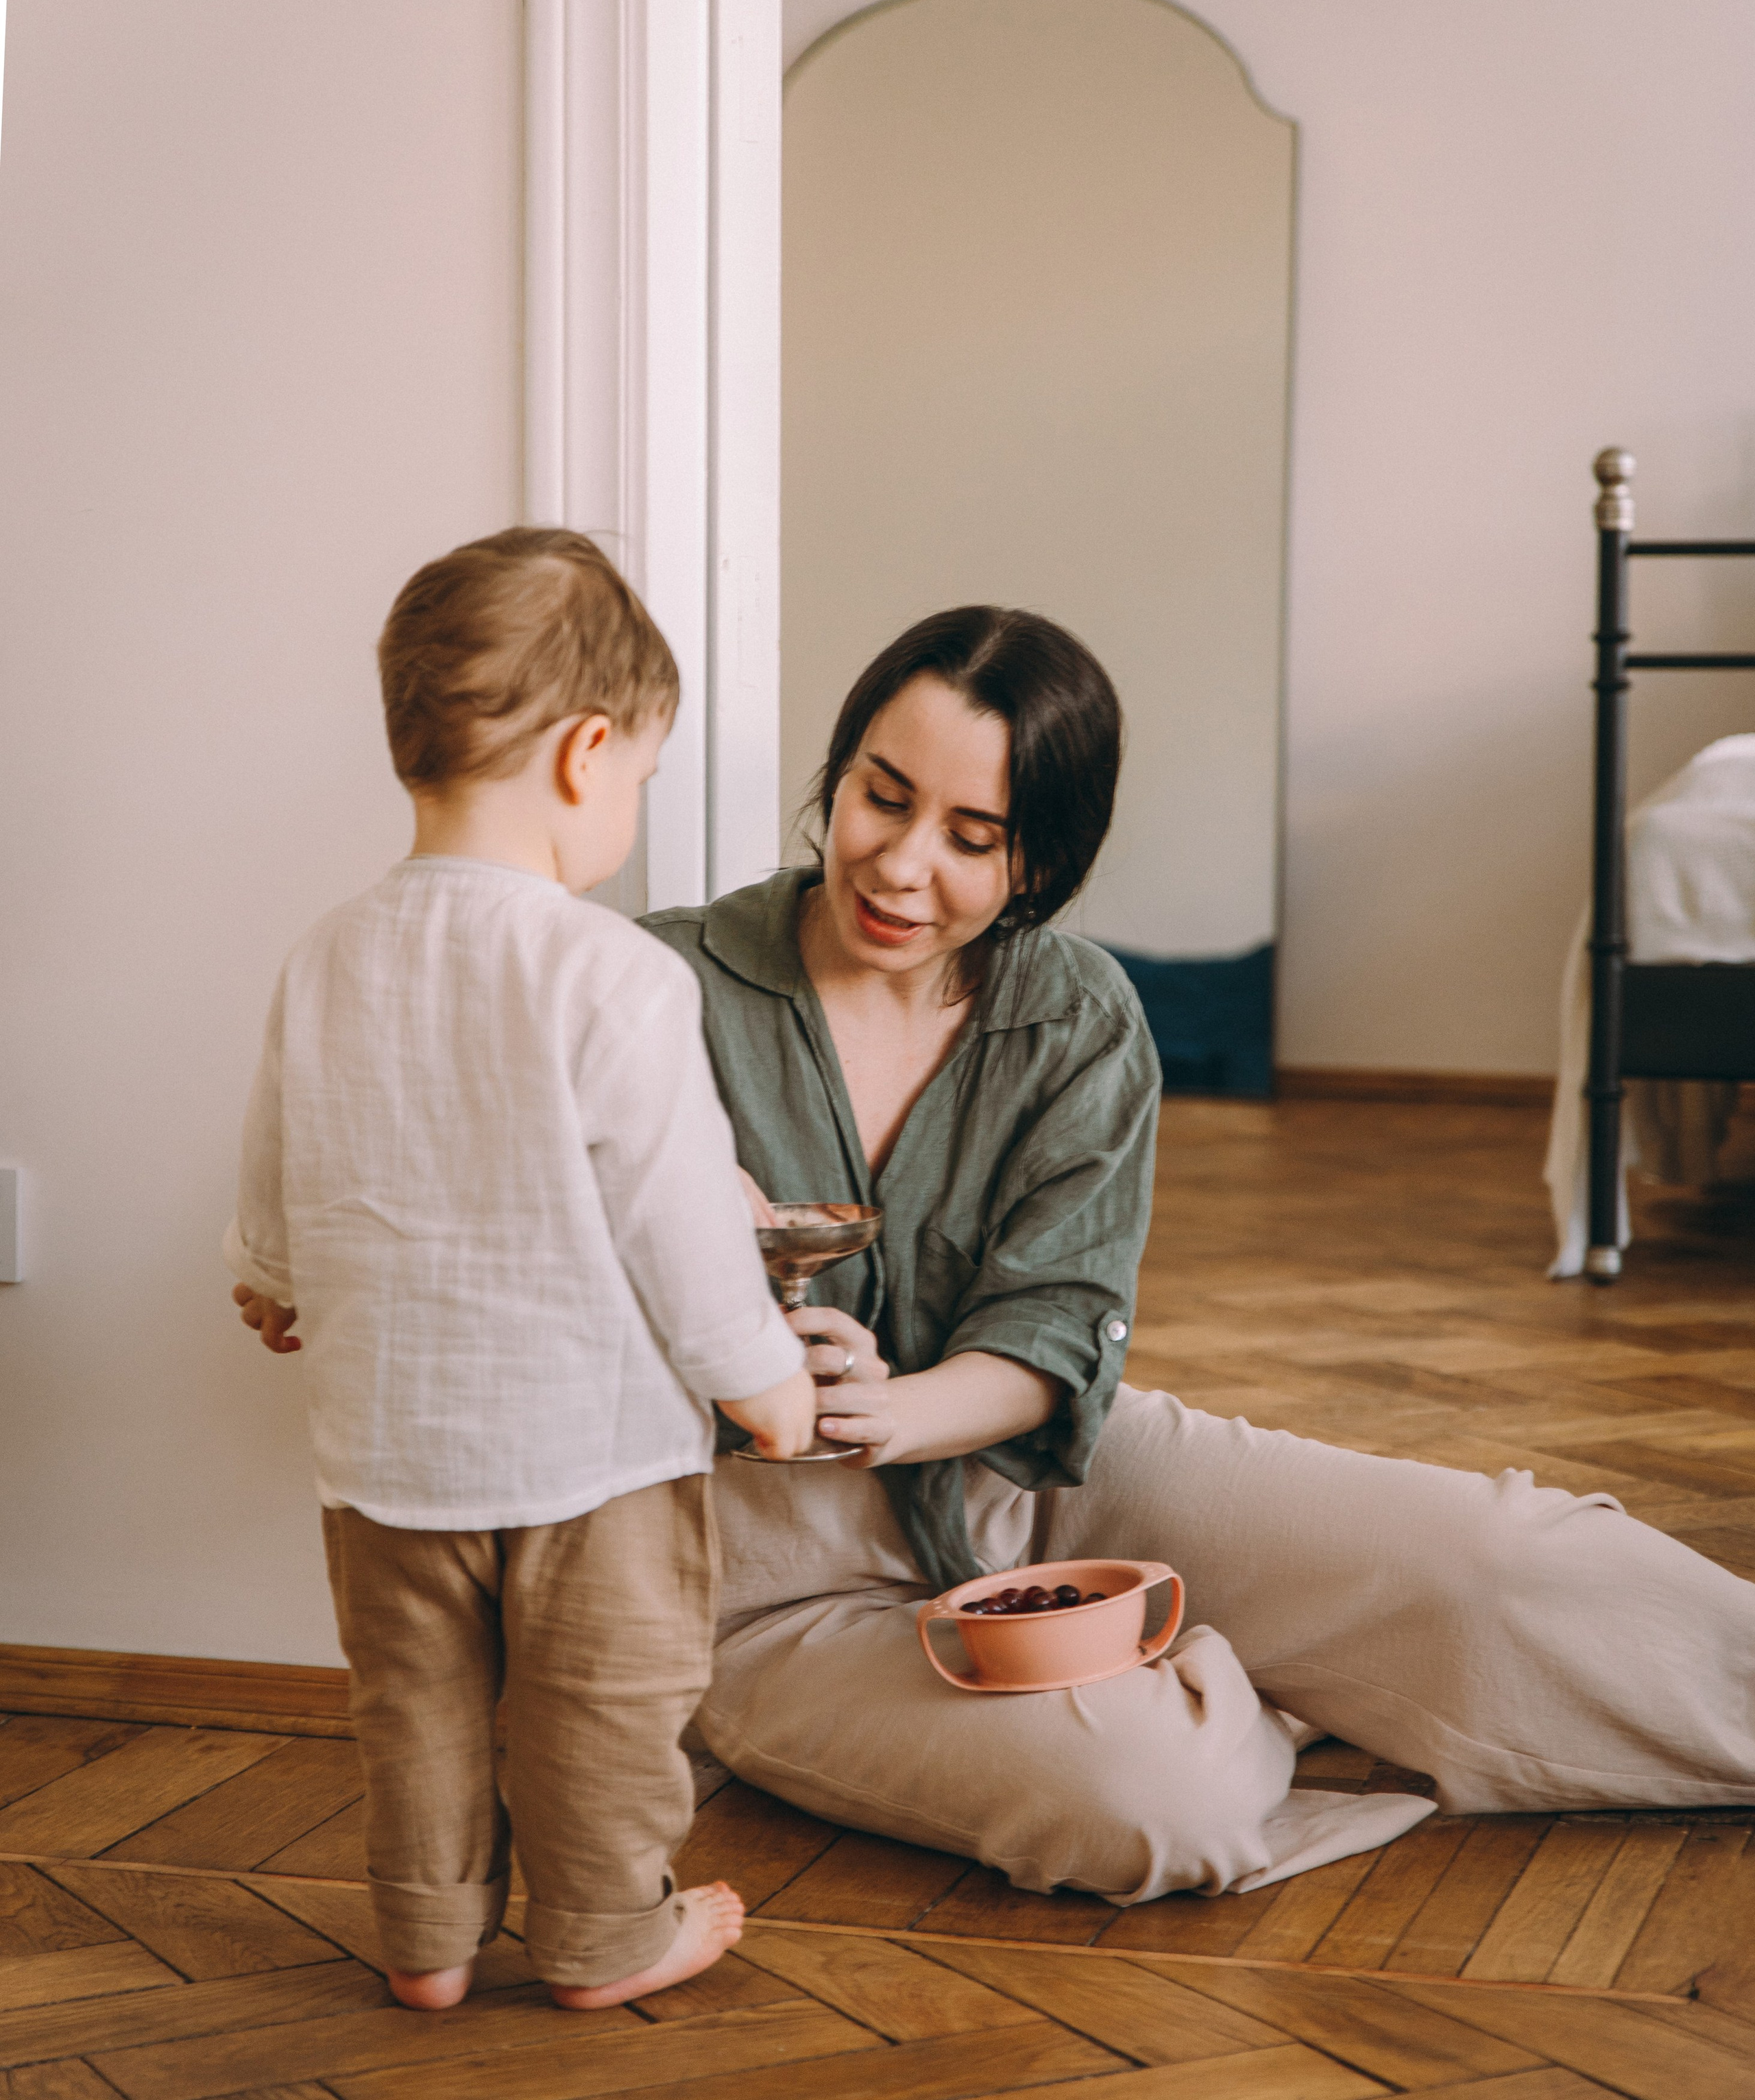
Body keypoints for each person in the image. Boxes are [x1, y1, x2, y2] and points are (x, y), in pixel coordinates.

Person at [645, 605, 1755, 1902]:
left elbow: (1055, 1327)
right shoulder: (655, 988)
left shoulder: (1077, 1014)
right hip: (776, 1588)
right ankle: (1242, 1691)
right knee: (1159, 1805)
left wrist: (884, 1409)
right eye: (879, 798)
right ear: (838, 776)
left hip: (1043, 1484)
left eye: (973, 837)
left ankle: (1205, 1658)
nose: (898, 863)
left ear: (1042, 862)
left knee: (1498, 1557)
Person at [226, 529, 814, 2009]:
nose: (625, 806)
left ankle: (426, 1938)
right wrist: (762, 1379)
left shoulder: (326, 953)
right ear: (585, 752)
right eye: (637, 781)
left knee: (410, 1700)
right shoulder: (613, 973)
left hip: (383, 1449)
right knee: (601, 1702)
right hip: (589, 1454)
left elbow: (283, 1146)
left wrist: (271, 1272)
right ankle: (609, 1931)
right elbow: (677, 1218)